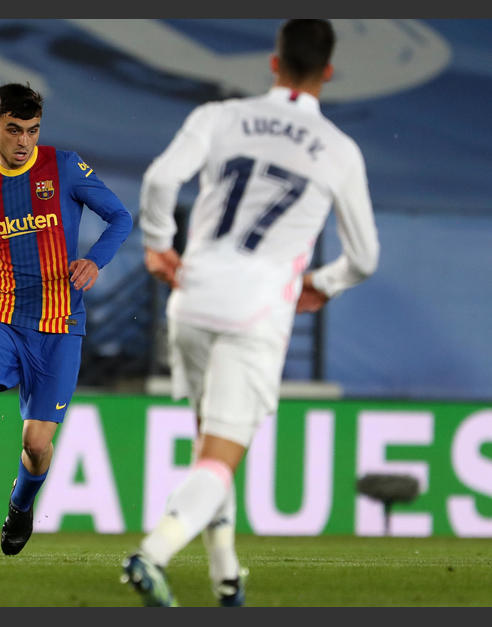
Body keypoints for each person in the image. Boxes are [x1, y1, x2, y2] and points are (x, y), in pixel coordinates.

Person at [123, 19, 380, 606]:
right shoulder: (339, 149)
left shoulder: (220, 116)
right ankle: (151, 554)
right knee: (220, 455)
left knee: (209, 447)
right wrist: (324, 284)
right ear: (329, 72)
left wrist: (158, 244)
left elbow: (161, 178)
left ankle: (227, 576)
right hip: (256, 310)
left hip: (192, 296)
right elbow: (365, 256)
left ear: (273, 62)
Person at [0, 83, 133, 556]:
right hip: (2, 314)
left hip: (59, 324)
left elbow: (120, 218)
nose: (24, 142)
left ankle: (20, 505)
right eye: (14, 130)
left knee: (36, 445)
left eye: (33, 131)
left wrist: (95, 260)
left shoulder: (64, 166)